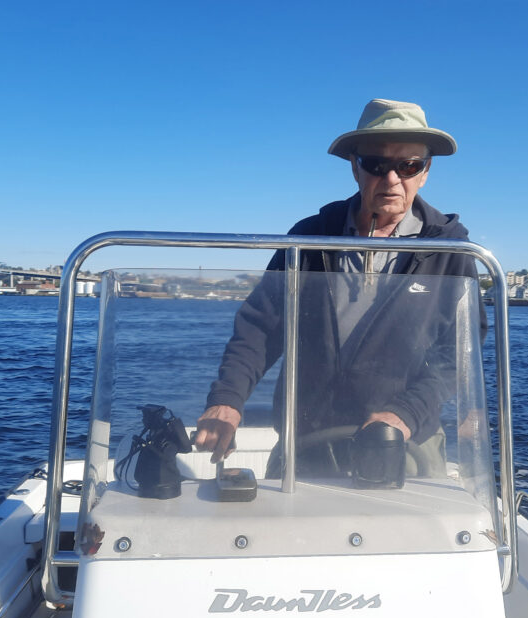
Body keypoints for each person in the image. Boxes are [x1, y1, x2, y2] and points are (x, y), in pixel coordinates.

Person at [194, 98, 485, 472]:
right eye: (376, 164)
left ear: (425, 171)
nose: (392, 179)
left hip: (405, 443)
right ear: (355, 167)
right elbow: (260, 327)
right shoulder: (309, 238)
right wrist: (228, 400)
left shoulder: (450, 249)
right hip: (308, 439)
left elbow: (459, 352)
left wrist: (407, 413)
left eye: (408, 165)